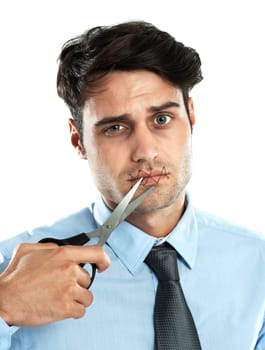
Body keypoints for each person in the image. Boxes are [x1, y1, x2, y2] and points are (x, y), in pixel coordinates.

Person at [0, 20, 264, 350]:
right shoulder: (12, 268)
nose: (146, 151)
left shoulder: (257, 262)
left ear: (191, 116)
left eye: (162, 119)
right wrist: (4, 306)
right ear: (78, 140)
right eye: (115, 128)